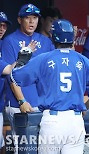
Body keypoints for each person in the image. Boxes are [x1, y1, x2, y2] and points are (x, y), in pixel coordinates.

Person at [11, 19, 89, 154]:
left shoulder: (44, 58)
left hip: (52, 121)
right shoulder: (82, 60)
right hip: (75, 121)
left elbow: (15, 76)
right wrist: (85, 108)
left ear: (53, 37)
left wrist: (23, 57)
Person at [1, 3, 54, 153]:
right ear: (19, 20)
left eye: (35, 18)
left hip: (42, 104)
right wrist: (21, 101)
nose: (32, 22)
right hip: (19, 104)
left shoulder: (45, 41)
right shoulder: (10, 41)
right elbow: (11, 73)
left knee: (43, 148)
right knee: (23, 149)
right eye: (27, 18)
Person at [0, 11, 12, 151]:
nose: (1, 28)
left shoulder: (4, 44)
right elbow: (8, 69)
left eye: (4, 25)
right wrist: (23, 58)